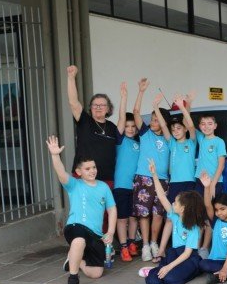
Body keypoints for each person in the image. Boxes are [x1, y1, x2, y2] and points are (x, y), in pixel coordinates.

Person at [46, 135, 116, 284]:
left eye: (94, 167)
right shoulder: (74, 185)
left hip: (96, 234)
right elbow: (61, 173)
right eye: (87, 168)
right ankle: (73, 279)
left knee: (96, 273)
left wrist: (110, 231)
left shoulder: (104, 187)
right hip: (76, 226)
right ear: (78, 172)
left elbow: (112, 209)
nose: (92, 171)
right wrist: (55, 155)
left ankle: (76, 261)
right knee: (79, 239)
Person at [139, 159, 206, 284]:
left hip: (188, 257)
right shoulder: (175, 216)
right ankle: (164, 270)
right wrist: (154, 175)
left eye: (176, 202)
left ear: (183, 208)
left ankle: (195, 269)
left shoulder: (193, 227)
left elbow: (187, 253)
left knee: (171, 280)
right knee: (152, 282)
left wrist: (169, 267)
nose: (173, 204)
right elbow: (162, 196)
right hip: (174, 254)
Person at [155, 92, 199, 262]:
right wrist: (155, 107)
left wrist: (184, 106)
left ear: (184, 130)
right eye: (174, 129)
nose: (175, 131)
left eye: (179, 128)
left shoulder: (191, 141)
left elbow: (190, 125)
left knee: (189, 217)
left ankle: (191, 248)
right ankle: (161, 251)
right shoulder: (171, 142)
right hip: (174, 184)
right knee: (170, 218)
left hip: (188, 183)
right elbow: (164, 126)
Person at [131, 80, 171, 262]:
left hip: (162, 180)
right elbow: (136, 113)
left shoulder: (170, 139)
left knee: (158, 214)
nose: (153, 122)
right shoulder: (145, 134)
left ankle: (155, 242)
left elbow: (164, 127)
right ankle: (146, 245)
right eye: (153, 119)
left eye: (157, 119)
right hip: (144, 178)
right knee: (143, 214)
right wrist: (141, 92)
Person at [66, 65, 118, 184]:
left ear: (108, 109)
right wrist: (71, 77)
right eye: (95, 105)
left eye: (102, 105)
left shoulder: (112, 127)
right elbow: (73, 102)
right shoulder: (84, 120)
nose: (98, 107)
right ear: (90, 108)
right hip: (83, 177)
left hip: (107, 178)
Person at [113, 82, 141, 262]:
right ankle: (123, 246)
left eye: (133, 126)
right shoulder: (120, 141)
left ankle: (132, 242)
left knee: (133, 217)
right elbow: (121, 120)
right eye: (128, 126)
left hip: (136, 185)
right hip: (121, 185)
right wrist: (124, 98)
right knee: (122, 218)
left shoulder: (140, 143)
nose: (130, 129)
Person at [192, 114, 226, 197]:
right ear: (199, 126)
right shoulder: (201, 138)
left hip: (214, 181)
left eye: (210, 124)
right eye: (203, 124)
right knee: (199, 207)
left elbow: (221, 165)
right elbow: (188, 123)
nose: (206, 127)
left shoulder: (219, 141)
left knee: (211, 207)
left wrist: (213, 184)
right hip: (200, 180)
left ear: (215, 126)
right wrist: (185, 105)